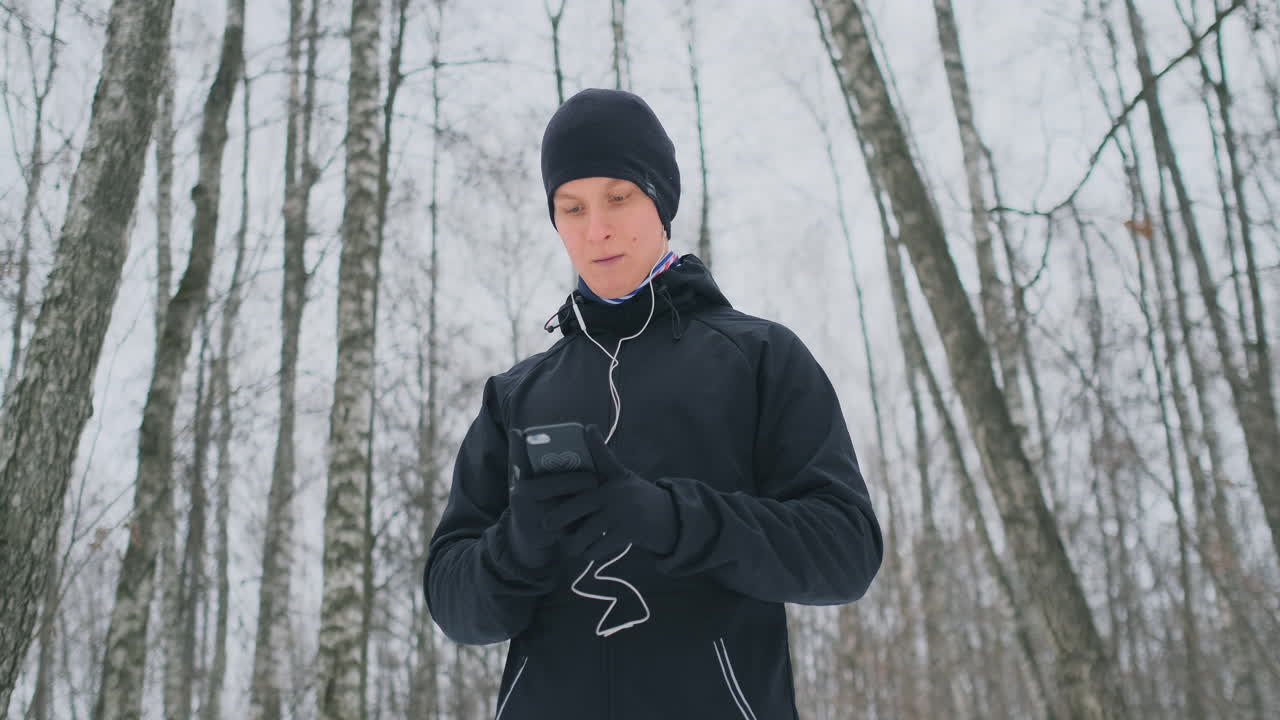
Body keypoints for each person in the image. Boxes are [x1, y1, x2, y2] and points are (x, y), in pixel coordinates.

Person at [424, 88, 882, 720]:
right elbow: (454, 605)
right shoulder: (515, 396)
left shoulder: (759, 359)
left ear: (660, 200)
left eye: (619, 197)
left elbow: (846, 553)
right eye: (572, 207)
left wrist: (669, 518)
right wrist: (521, 543)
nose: (597, 228)